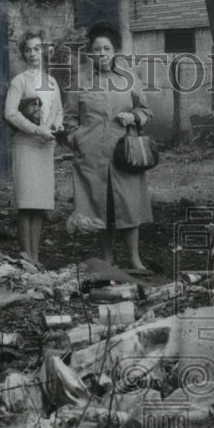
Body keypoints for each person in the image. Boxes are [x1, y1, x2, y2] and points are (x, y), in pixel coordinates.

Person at [64, 21, 152, 272]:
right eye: (97, 49)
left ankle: (134, 259)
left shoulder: (129, 78)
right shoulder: (79, 79)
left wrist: (133, 117)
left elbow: (145, 110)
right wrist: (75, 138)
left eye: (107, 49)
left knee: (129, 205)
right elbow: (69, 116)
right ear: (90, 52)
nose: (102, 54)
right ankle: (107, 258)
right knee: (97, 206)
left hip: (124, 154)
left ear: (115, 51)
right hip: (91, 155)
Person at [4, 31, 63, 268]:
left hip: (45, 147)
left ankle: (36, 257)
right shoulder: (19, 81)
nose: (32, 53)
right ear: (23, 53)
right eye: (28, 49)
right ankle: (25, 256)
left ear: (45, 51)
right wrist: (36, 130)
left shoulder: (51, 81)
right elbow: (9, 113)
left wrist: (56, 126)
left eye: (37, 48)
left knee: (38, 205)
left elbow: (58, 110)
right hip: (26, 146)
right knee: (26, 205)